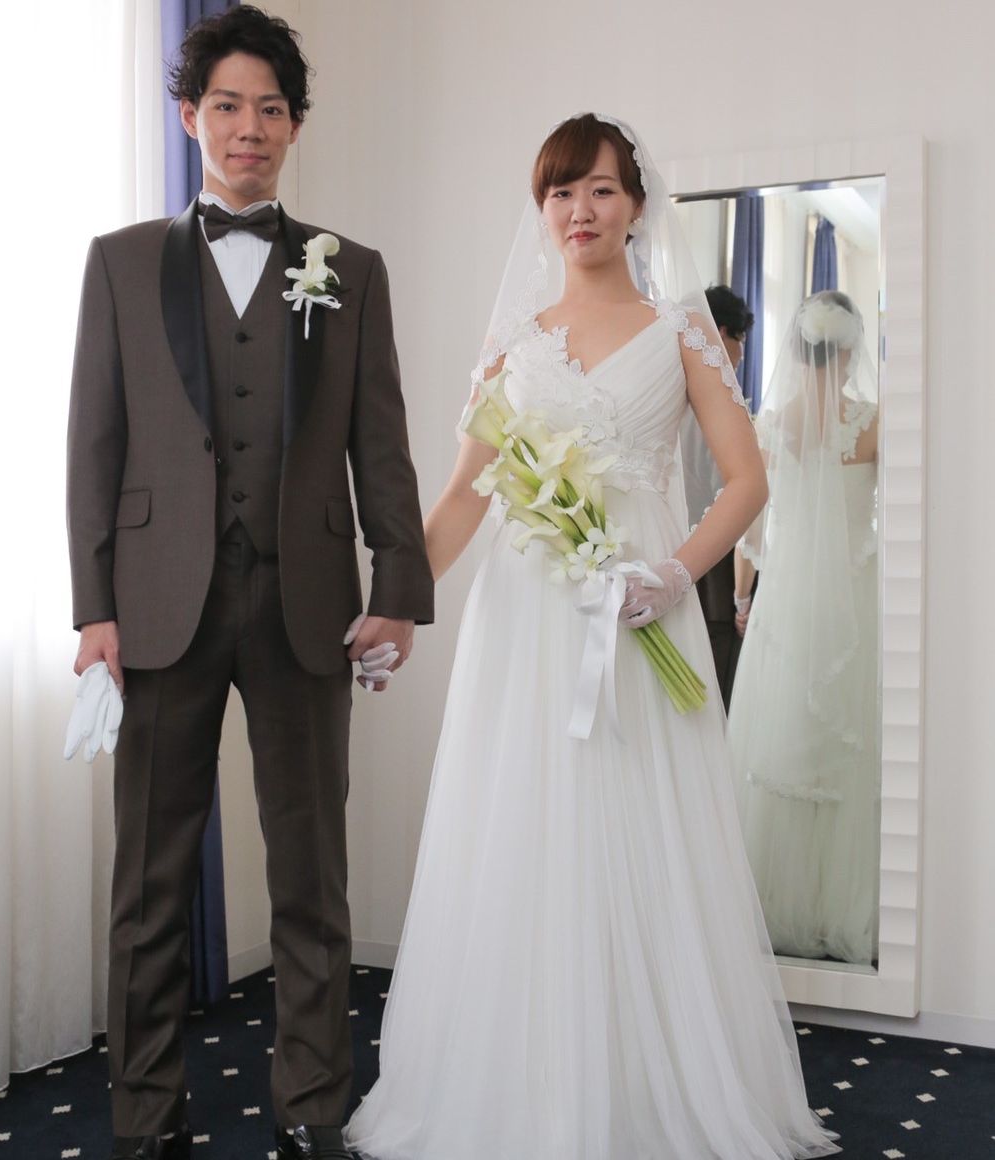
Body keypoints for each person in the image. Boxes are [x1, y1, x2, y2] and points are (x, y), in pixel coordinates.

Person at [346, 115, 839, 1160]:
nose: (580, 210)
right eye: (561, 192)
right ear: (541, 210)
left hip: (637, 607)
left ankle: (647, 1083)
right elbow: (465, 496)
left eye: (602, 190)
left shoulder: (681, 332)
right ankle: (521, 1087)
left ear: (636, 206)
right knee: (523, 830)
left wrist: (674, 573)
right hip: (525, 625)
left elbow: (746, 481)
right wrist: (396, 601)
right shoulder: (513, 345)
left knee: (643, 829)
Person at [66, 7, 433, 1159]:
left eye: (270, 109)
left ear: (294, 126)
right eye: (226, 105)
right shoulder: (120, 262)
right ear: (189, 117)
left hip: (304, 604)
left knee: (311, 876)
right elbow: (93, 443)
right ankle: (145, 1116)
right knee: (149, 882)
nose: (249, 128)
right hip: (155, 605)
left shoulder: (350, 270)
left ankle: (312, 1107)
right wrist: (92, 607)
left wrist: (398, 584)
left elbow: (382, 444)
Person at [729, 291, 880, 966]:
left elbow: (750, 530)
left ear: (795, 351)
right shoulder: (873, 423)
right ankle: (839, 907)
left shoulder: (770, 425)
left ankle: (772, 902)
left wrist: (743, 598)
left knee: (781, 738)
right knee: (849, 743)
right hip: (855, 594)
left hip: (787, 598)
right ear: (849, 352)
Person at [687, 285, 755, 709]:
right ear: (724, 332)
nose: (743, 354)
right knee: (715, 673)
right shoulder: (722, 397)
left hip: (671, 540)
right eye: (742, 341)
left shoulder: (669, 382)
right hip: (715, 553)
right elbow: (732, 484)